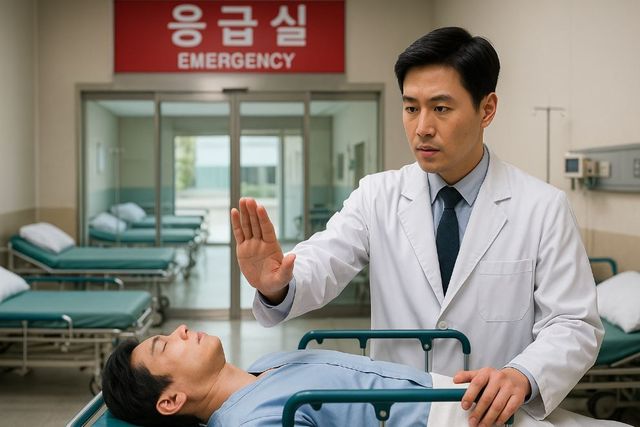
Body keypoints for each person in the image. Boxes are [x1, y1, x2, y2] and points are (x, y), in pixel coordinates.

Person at [230, 26, 604, 427]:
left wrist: (522, 374)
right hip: (397, 414)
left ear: (487, 109)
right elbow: (326, 257)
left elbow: (573, 323)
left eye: (440, 108)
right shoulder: (377, 195)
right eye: (411, 108)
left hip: (491, 417)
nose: (422, 127)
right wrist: (277, 285)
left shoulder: (542, 207)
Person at [101, 325, 625, 427]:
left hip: (465, 397)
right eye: (165, 345)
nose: (181, 330)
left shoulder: (271, 362)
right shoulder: (252, 421)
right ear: (170, 401)